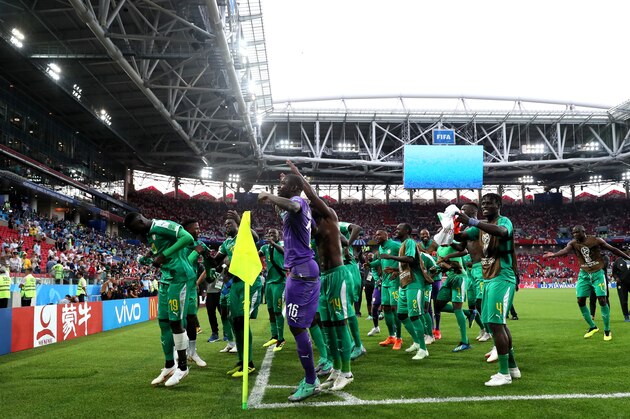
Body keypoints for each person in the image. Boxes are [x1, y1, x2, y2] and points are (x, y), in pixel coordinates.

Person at [258, 161, 329, 401]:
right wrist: (282, 187)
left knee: (297, 326)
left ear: (293, 188)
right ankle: (319, 368)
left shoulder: (298, 202)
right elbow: (284, 208)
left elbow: (291, 204)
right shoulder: (293, 204)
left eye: (282, 184)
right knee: (301, 324)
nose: (279, 186)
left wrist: (269, 195)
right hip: (298, 272)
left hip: (302, 273)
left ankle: (311, 381)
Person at [125, 212, 196, 387]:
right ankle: (169, 365)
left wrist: (164, 255)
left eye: (136, 229)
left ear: (141, 221)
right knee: (163, 322)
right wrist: (150, 256)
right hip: (165, 279)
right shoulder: (150, 233)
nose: (137, 234)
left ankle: (183, 367)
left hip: (179, 278)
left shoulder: (162, 225)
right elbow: (158, 248)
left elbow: (187, 238)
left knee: (175, 322)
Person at [456, 193, 520, 387]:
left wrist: (473, 221)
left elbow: (502, 232)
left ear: (498, 205)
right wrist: (452, 225)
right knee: (495, 323)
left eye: (489, 203)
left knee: (496, 323)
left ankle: (503, 374)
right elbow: (461, 238)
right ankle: (512, 368)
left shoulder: (504, 221)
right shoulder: (479, 228)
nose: (485, 205)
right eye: (483, 203)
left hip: (502, 276)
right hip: (488, 277)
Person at [543, 226, 630, 341]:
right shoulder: (573, 243)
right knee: (580, 301)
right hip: (584, 274)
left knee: (602, 300)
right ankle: (592, 327)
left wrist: (628, 257)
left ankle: (607, 330)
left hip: (597, 274)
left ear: (584, 232)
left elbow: (613, 249)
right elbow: (565, 250)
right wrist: (554, 254)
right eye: (573, 233)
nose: (574, 234)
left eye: (577, 232)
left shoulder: (596, 240)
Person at [208, 211, 261, 376]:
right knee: (235, 321)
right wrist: (204, 254)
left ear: (237, 224)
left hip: (249, 282)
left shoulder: (244, 236)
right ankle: (242, 360)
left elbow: (256, 238)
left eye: (229, 223)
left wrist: (242, 223)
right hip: (235, 285)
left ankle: (249, 363)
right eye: (225, 224)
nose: (226, 226)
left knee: (242, 321)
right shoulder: (226, 243)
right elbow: (216, 263)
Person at [379, 223, 432, 361]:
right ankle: (416, 342)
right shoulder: (403, 244)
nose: (396, 230)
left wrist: (391, 257)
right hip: (404, 284)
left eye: (398, 229)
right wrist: (395, 271)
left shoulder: (409, 242)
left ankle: (423, 349)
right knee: (402, 314)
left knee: (414, 315)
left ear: (407, 231)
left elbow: (410, 259)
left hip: (414, 283)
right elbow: (407, 265)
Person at [180, 219, 208, 368]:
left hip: (191, 288)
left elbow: (207, 264)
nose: (198, 231)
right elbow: (181, 263)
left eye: (199, 228)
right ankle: (178, 353)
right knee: (179, 322)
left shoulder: (197, 244)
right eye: (195, 229)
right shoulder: (180, 243)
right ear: (186, 230)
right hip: (178, 287)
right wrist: (195, 252)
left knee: (191, 320)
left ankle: (192, 352)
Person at [339, 220, 366, 360]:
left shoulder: (336, 224)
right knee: (337, 310)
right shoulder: (314, 228)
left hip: (347, 269)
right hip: (333, 270)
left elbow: (357, 227)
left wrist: (346, 246)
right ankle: (350, 344)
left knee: (345, 308)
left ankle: (357, 345)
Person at [373, 230, 403, 350]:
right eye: (376, 235)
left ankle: (399, 338)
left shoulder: (396, 245)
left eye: (379, 234)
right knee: (386, 308)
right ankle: (391, 336)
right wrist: (371, 264)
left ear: (387, 235)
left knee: (395, 309)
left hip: (394, 281)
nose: (377, 236)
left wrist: (396, 270)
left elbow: (407, 259)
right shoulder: (381, 248)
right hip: (385, 282)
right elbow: (381, 261)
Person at [258, 228, 287, 351]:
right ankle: (274, 335)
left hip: (279, 282)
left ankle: (281, 338)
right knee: (270, 310)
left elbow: (285, 253)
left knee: (277, 310)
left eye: (273, 234)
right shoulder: (265, 248)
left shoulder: (282, 244)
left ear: (278, 235)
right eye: (269, 234)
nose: (270, 236)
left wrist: (273, 243)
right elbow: (257, 254)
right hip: (269, 283)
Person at [419, 229, 442, 340]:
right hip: (424, 280)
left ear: (429, 235)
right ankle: (430, 329)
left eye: (426, 234)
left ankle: (437, 329)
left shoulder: (435, 245)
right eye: (423, 234)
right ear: (419, 236)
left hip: (436, 279)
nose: (425, 236)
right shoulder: (418, 246)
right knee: (427, 306)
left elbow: (440, 259)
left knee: (436, 304)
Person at [611, 257, 630, 321]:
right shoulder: (618, 260)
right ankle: (626, 316)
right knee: (623, 300)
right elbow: (614, 272)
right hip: (621, 283)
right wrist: (616, 278)